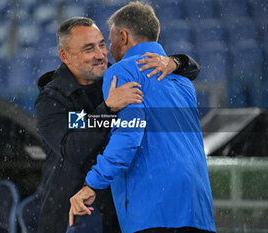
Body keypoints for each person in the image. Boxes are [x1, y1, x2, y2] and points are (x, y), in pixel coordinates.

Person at [35, 16, 201, 233]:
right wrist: (108, 109)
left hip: (119, 214)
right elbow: (73, 147)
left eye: (102, 44)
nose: (100, 54)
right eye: (88, 49)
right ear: (65, 56)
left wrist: (174, 62)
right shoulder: (51, 99)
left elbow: (192, 70)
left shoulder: (118, 75)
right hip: (71, 215)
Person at [69, 2, 216, 233]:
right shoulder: (184, 82)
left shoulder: (121, 72)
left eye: (110, 39)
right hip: (198, 210)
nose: (110, 48)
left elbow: (129, 136)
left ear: (123, 36)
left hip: (152, 208)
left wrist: (92, 183)